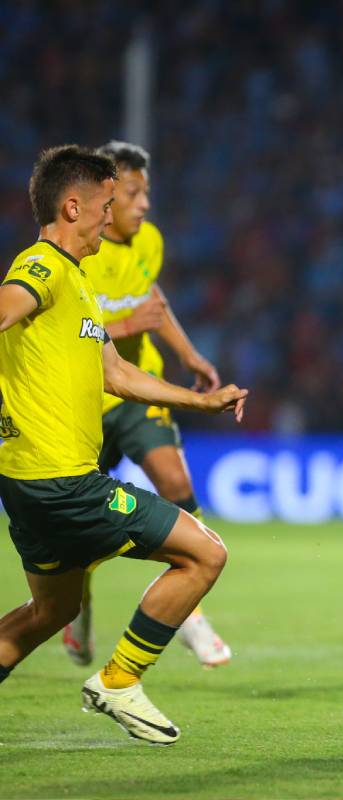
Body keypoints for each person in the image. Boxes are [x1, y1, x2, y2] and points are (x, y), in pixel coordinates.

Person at [0, 145, 248, 745]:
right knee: (205, 554)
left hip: (29, 484)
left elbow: (118, 375)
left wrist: (203, 401)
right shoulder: (43, 268)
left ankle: (112, 674)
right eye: (106, 206)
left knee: (51, 612)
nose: (111, 220)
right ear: (73, 205)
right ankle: (118, 680)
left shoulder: (78, 283)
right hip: (64, 483)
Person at [60, 141, 231, 670]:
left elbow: (154, 303)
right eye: (133, 194)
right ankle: (75, 612)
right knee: (74, 543)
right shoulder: (77, 254)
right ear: (103, 201)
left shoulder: (147, 242)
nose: (143, 205)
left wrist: (191, 356)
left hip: (138, 390)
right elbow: (71, 331)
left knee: (176, 484)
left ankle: (190, 611)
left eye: (145, 193)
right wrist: (129, 326)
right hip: (85, 400)